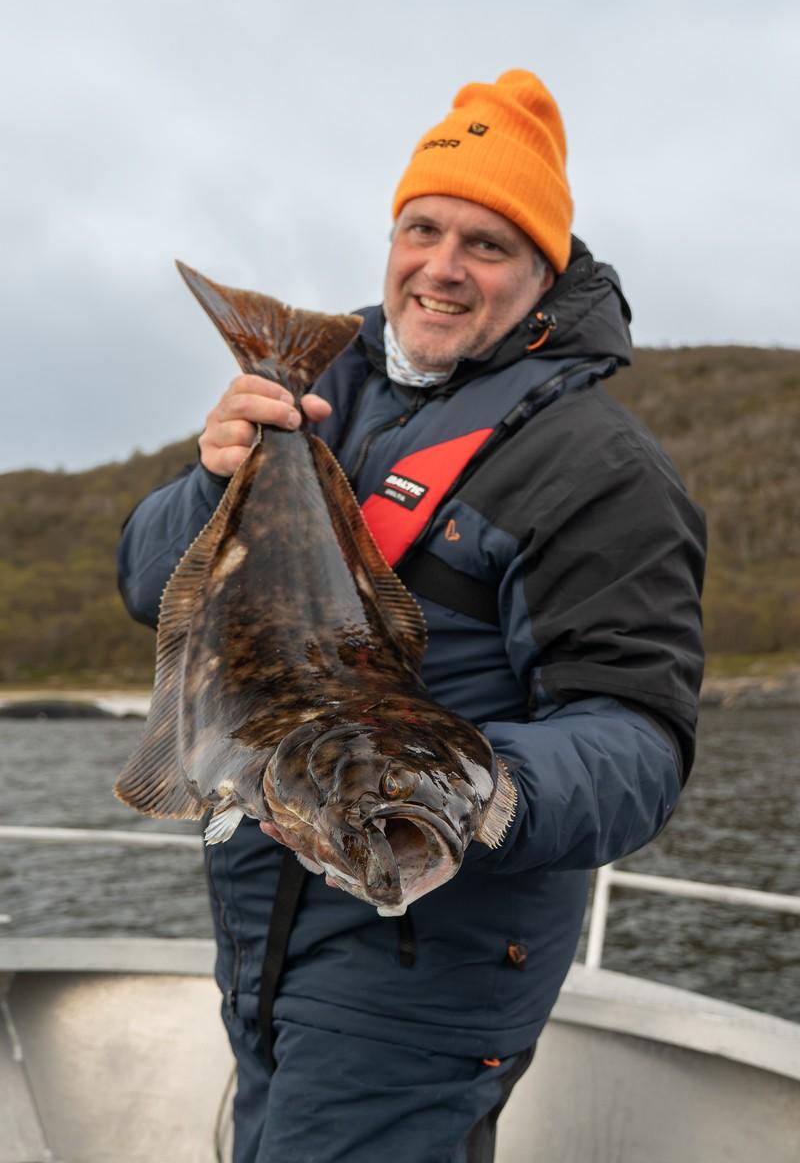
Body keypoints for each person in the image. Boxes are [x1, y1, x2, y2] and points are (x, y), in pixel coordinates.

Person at [118, 70, 705, 1162]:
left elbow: (636, 737)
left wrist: (473, 793)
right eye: (420, 229)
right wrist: (211, 485)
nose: (441, 266)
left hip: (429, 962)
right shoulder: (319, 394)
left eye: (487, 244)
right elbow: (152, 592)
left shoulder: (598, 468)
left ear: (543, 273)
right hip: (264, 931)